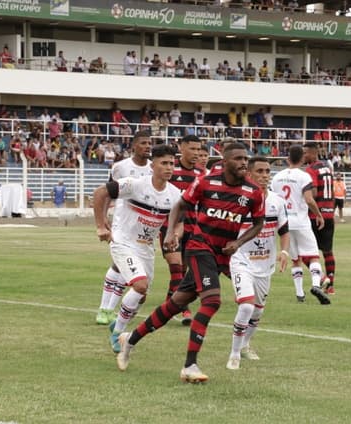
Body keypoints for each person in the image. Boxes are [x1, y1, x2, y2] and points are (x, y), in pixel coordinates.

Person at [115, 143, 265, 384]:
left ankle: (129, 339)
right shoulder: (207, 182)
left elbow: (258, 224)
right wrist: (174, 231)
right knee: (212, 300)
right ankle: (190, 365)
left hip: (222, 255)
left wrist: (238, 242)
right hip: (199, 248)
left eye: (245, 158)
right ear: (225, 162)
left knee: (177, 303)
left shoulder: (253, 191)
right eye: (238, 158)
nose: (243, 163)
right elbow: (180, 205)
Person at [94, 144, 181, 354]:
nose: (169, 167)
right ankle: (119, 334)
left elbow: (179, 220)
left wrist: (173, 234)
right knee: (140, 285)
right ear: (153, 165)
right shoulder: (134, 185)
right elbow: (100, 193)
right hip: (123, 241)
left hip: (145, 248)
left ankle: (117, 324)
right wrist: (100, 225)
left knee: (141, 296)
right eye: (164, 163)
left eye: (172, 163)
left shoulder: (175, 194)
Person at [226, 156, 290, 370]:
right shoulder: (239, 200)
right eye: (260, 171)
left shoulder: (277, 202)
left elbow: (284, 231)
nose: (264, 175)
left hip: (265, 265)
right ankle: (234, 354)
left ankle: (245, 346)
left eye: (267, 171)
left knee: (258, 311)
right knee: (246, 305)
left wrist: (283, 251)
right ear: (249, 174)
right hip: (241, 261)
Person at [95, 131, 152, 325]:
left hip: (143, 228)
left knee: (126, 269)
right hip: (122, 223)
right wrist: (103, 220)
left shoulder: (154, 168)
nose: (147, 146)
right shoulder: (120, 167)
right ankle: (105, 309)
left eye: (149, 143)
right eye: (143, 143)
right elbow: (108, 193)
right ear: (134, 146)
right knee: (119, 265)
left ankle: (109, 309)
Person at [271, 145, 330, 305]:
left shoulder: (277, 177)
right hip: (301, 221)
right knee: (313, 256)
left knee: (295, 259)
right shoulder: (304, 177)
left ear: (287, 158)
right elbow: (309, 199)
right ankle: (316, 285)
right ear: (302, 159)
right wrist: (318, 215)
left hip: (284, 223)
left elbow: (273, 199)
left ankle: (299, 294)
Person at [158, 134, 206, 326]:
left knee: (185, 272)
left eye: (199, 150)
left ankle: (168, 303)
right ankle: (184, 308)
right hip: (168, 226)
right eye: (192, 149)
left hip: (193, 228)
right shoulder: (170, 169)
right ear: (182, 148)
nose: (196, 153)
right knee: (176, 266)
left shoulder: (202, 175)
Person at [303, 142, 336, 294]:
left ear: (312, 153)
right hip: (329, 213)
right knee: (328, 251)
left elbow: (314, 193)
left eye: (305, 154)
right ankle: (331, 286)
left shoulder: (311, 170)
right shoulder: (327, 168)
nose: (303, 156)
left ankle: (322, 277)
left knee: (305, 251)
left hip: (316, 215)